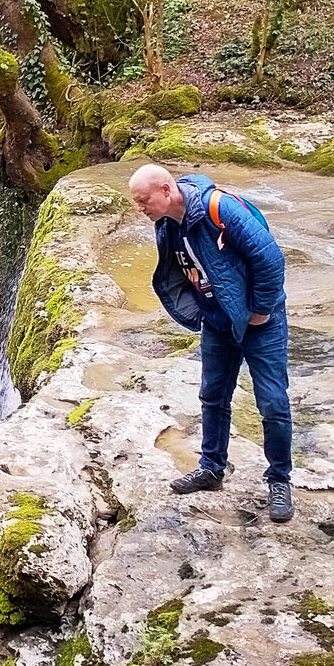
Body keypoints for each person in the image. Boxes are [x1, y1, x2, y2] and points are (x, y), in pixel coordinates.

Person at [128, 163, 294, 523]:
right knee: (213, 396)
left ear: (166, 189)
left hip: (259, 322)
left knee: (273, 402)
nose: (140, 208)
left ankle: (279, 480)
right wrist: (199, 312)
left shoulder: (221, 209)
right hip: (217, 320)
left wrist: (261, 311)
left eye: (143, 200)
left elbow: (270, 260)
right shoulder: (168, 224)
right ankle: (211, 468)